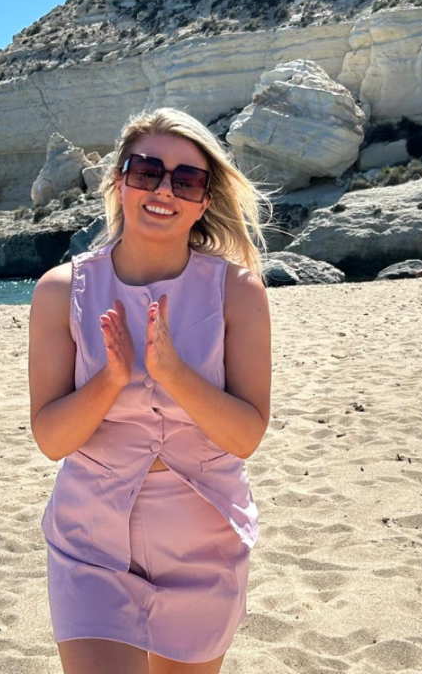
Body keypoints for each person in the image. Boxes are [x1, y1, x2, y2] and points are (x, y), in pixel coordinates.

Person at [28, 108, 273, 673]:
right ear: (120, 181)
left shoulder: (238, 293)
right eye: (147, 171)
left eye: (186, 180)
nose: (164, 189)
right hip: (89, 536)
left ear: (204, 201)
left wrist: (175, 375)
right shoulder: (60, 292)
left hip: (203, 537)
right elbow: (52, 439)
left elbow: (244, 436)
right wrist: (110, 381)